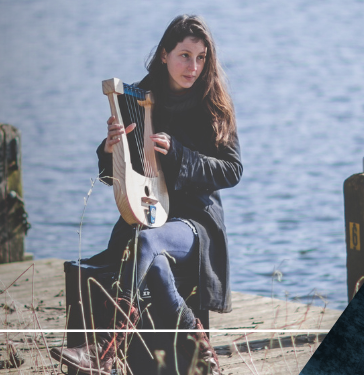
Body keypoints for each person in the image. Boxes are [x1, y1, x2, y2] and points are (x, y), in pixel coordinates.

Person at [51, 14, 242, 375]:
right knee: (149, 257)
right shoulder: (139, 96)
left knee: (144, 246)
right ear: (165, 54)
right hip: (147, 211)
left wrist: (181, 154)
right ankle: (200, 352)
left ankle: (105, 349)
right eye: (185, 55)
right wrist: (110, 150)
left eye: (201, 58)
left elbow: (232, 170)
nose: (194, 67)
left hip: (195, 222)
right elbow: (118, 176)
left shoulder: (213, 104)